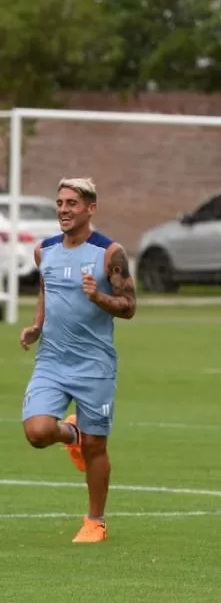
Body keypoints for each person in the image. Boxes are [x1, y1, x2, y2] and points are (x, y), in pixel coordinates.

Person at [20, 177, 136, 543]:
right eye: (60, 203)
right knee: (37, 432)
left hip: (94, 364)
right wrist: (37, 325)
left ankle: (95, 521)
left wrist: (98, 298)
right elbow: (46, 288)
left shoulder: (108, 254)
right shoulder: (45, 251)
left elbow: (129, 307)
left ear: (90, 208)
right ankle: (70, 432)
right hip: (52, 360)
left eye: (72, 203)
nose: (64, 210)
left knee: (96, 447)